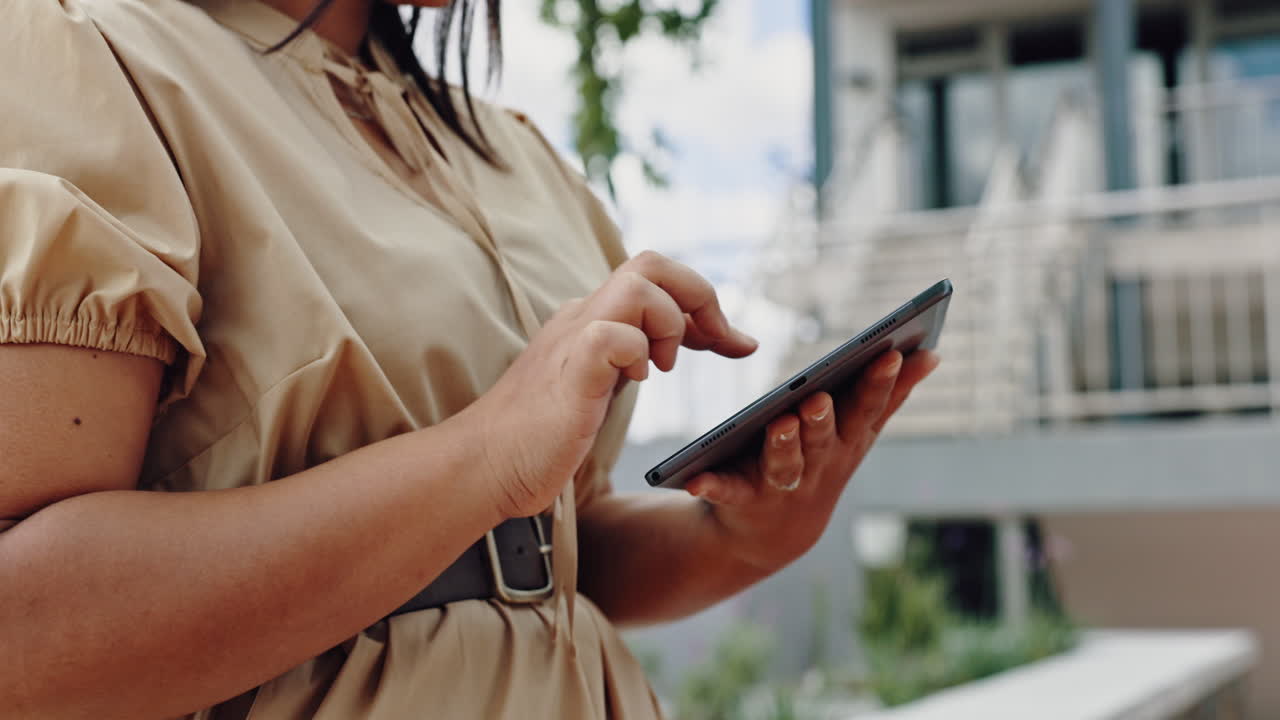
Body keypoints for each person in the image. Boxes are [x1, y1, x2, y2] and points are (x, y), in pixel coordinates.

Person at [0, 0, 940, 716]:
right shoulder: (86, 56)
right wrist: (484, 457)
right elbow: (26, 631)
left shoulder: (509, 151)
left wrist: (740, 539)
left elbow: (549, 546)